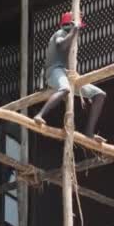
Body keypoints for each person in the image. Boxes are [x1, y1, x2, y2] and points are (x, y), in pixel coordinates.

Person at [34, 11, 106, 139]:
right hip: (53, 71)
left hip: (65, 74)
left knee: (99, 94)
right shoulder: (60, 33)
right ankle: (40, 115)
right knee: (65, 89)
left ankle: (89, 132)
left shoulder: (71, 36)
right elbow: (61, 46)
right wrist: (74, 30)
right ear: (69, 25)